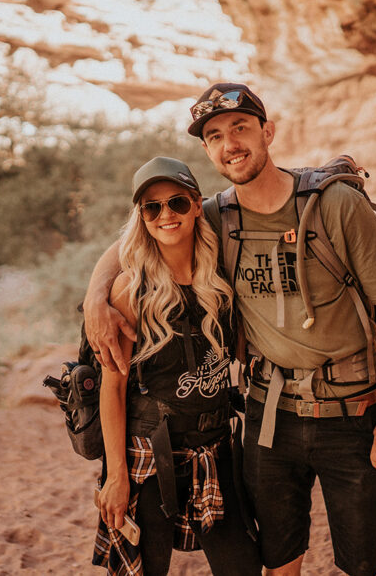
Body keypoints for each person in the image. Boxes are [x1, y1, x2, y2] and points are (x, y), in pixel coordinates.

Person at [85, 83, 376, 576]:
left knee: (363, 563)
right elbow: (139, 235)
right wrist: (96, 296)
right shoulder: (220, 214)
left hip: (353, 412)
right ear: (207, 149)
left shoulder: (335, 206)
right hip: (270, 418)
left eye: (240, 128)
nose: (230, 144)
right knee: (278, 561)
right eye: (215, 135)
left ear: (267, 131)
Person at [92, 156, 261, 576]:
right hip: (149, 453)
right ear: (142, 217)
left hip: (217, 447)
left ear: (195, 205)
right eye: (152, 207)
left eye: (177, 203)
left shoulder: (220, 271)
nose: (166, 215)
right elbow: (112, 388)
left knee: (242, 566)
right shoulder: (131, 287)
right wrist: (116, 477)